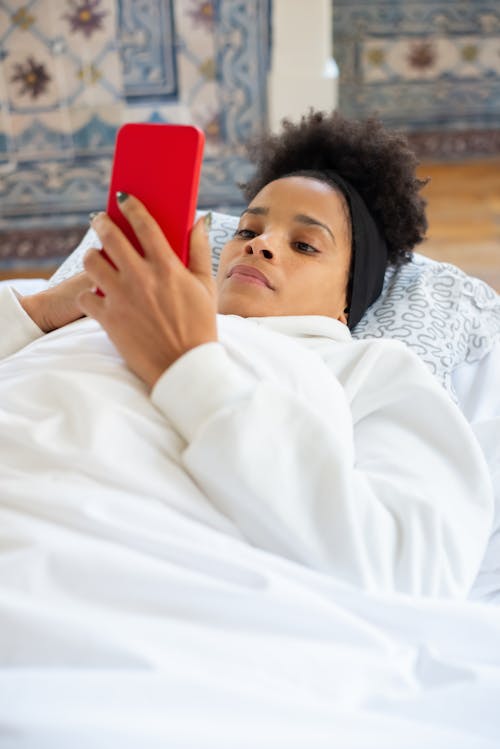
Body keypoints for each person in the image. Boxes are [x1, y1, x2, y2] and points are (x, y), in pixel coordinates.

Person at [0, 111, 493, 598]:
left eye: (304, 245)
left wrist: (189, 368)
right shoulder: (86, 315)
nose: (261, 246)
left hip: (93, 563)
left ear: (348, 301)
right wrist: (39, 312)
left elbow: (411, 566)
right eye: (247, 232)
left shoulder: (370, 368)